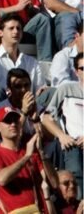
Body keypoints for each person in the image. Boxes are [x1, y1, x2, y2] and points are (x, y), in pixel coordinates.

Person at [0, 106, 59, 213]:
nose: (13, 124)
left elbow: (54, 183)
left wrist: (41, 152)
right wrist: (26, 157)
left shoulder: (31, 150)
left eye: (15, 121)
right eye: (8, 121)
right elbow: (1, 179)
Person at [41, 53, 83, 195]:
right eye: (83, 68)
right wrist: (62, 136)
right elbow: (47, 118)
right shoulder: (66, 90)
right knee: (75, 175)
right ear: (76, 72)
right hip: (73, 144)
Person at [0, 13, 45, 93]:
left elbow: (40, 89)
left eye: (18, 28)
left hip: (29, 102)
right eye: (11, 28)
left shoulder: (32, 62)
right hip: (1, 104)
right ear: (0, 33)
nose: (16, 31)